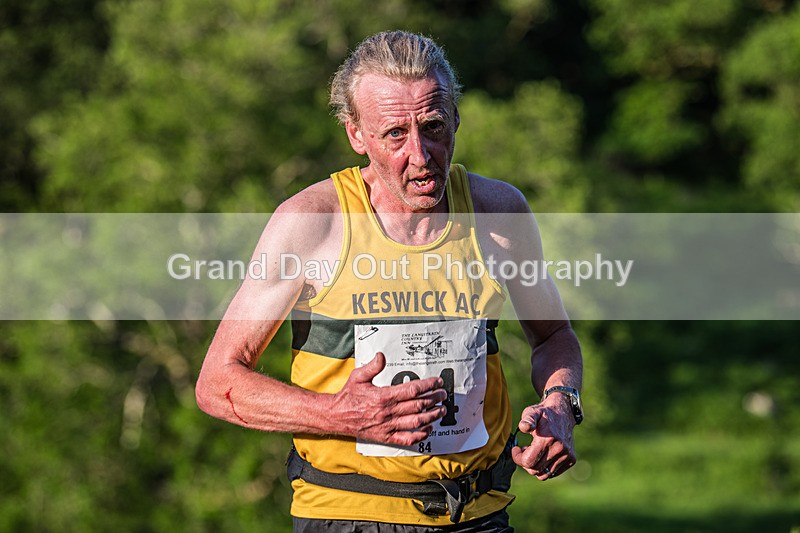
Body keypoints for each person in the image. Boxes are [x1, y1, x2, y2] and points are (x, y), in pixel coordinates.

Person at [195, 30, 583, 532]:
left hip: (478, 514)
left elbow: (554, 337)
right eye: (395, 134)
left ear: (456, 118)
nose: (420, 155)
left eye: (433, 126)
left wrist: (561, 403)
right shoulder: (313, 222)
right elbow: (218, 382)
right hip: (349, 513)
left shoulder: (497, 213)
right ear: (356, 135)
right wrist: (340, 414)